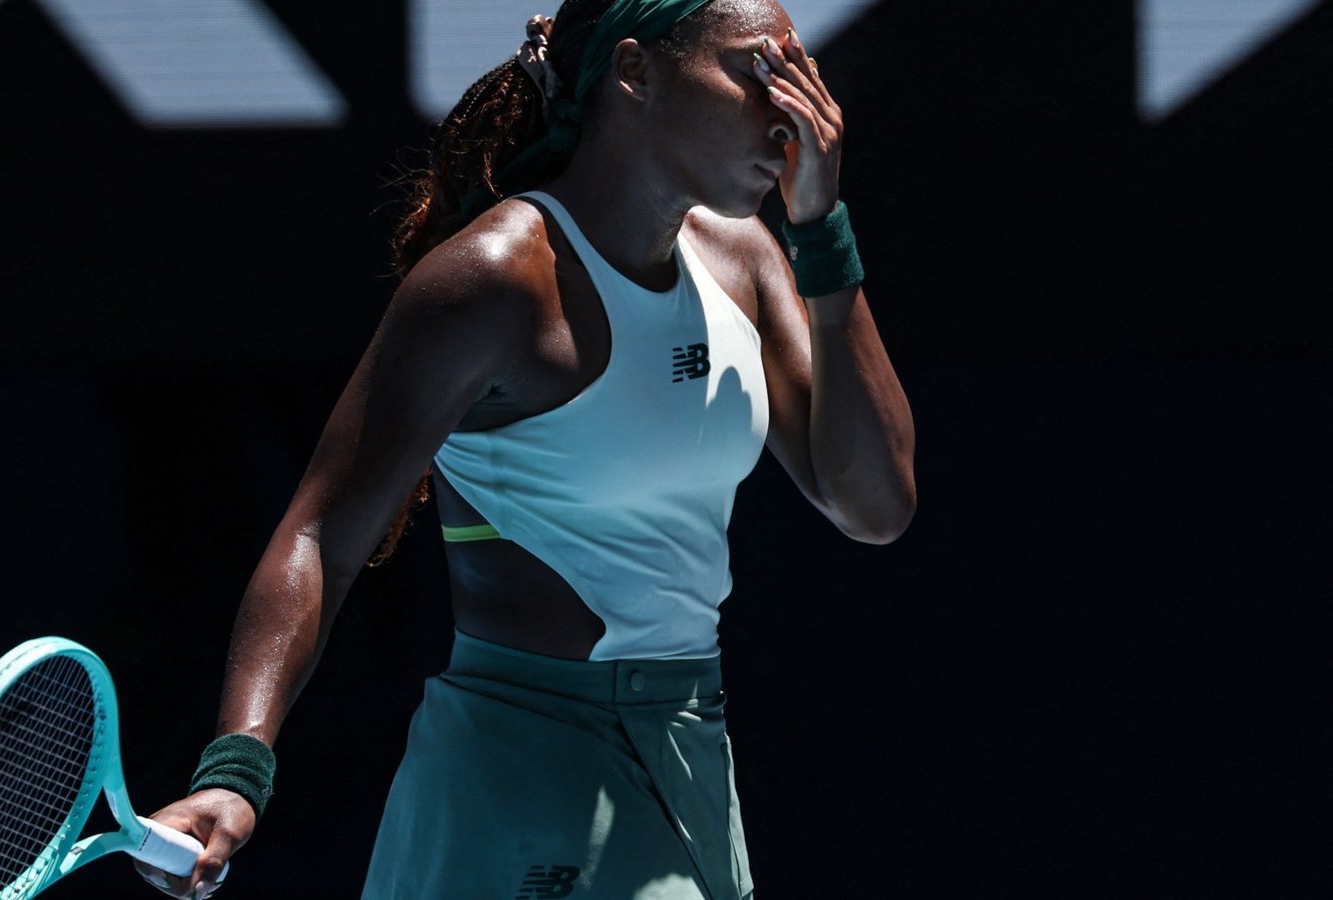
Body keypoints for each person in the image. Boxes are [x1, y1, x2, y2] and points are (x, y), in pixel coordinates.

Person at [136, 0, 915, 896]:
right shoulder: (496, 281)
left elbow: (876, 506)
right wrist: (236, 769)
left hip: (693, 753)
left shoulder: (747, 259)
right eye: (753, 72)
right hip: (521, 772)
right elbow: (322, 536)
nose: (789, 111)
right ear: (636, 73)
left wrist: (821, 232)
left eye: (796, 74)